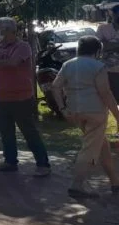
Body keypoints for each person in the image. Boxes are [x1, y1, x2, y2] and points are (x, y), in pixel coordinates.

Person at [51, 36, 119, 199]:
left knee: (101, 146)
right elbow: (105, 93)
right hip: (95, 112)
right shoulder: (98, 66)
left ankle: (115, 183)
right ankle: (77, 185)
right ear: (97, 51)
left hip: (75, 112)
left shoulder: (68, 64)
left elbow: (55, 86)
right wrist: (117, 115)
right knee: (89, 149)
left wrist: (62, 108)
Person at [0, 17, 51, 176]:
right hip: (1, 97)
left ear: (9, 31)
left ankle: (43, 164)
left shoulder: (23, 46)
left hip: (21, 98)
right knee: (6, 132)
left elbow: (13, 63)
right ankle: (10, 161)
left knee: (29, 132)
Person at [95, 5, 119, 105]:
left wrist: (108, 43)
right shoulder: (103, 28)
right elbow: (98, 47)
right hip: (109, 70)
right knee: (111, 97)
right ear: (112, 14)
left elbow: (105, 45)